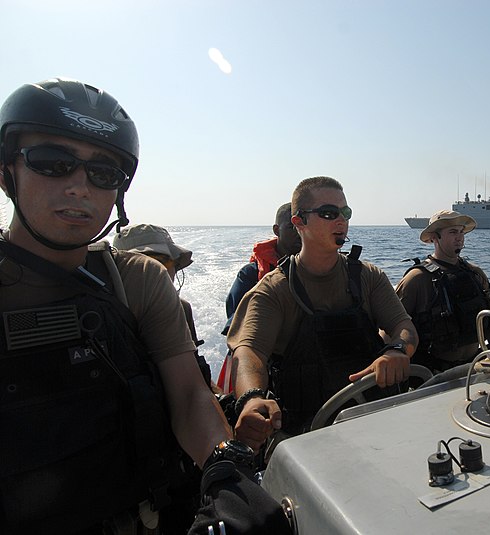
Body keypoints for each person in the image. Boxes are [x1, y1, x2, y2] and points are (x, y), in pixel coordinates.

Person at [0, 77, 288, 533]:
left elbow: (189, 394)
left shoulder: (136, 279)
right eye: (52, 162)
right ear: (6, 172)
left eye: (104, 174)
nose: (79, 187)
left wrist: (225, 472)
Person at [226, 175, 418, 451]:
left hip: (376, 425)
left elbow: (403, 325)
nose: (341, 220)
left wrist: (398, 350)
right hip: (306, 438)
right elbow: (248, 353)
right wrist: (252, 398)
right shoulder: (273, 290)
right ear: (299, 222)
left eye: (345, 212)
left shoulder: (369, 277)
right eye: (329, 213)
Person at [113, 223, 215, 389]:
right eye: (145, 264)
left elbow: (193, 376)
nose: (155, 271)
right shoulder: (100, 314)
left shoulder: (182, 309)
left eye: (164, 263)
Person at [217, 202, 301, 392]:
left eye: (302, 226)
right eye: (291, 227)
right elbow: (237, 327)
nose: (298, 232)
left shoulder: (320, 273)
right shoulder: (251, 275)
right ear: (276, 230)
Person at [395, 209, 490, 372]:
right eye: (453, 232)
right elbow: (394, 324)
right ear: (434, 237)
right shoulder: (417, 279)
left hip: (475, 366)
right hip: (434, 372)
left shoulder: (475, 274)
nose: (459, 237)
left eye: (462, 232)